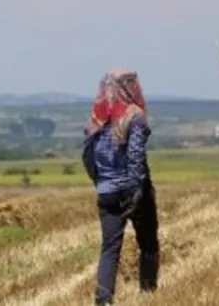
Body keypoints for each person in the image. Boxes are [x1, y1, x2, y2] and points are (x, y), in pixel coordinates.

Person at [82, 69, 160, 305]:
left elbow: (87, 156)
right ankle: (148, 294)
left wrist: (100, 183)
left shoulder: (97, 117)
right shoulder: (134, 115)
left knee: (110, 249)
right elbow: (135, 155)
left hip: (106, 192)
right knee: (147, 243)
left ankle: (103, 300)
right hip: (133, 189)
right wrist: (137, 190)